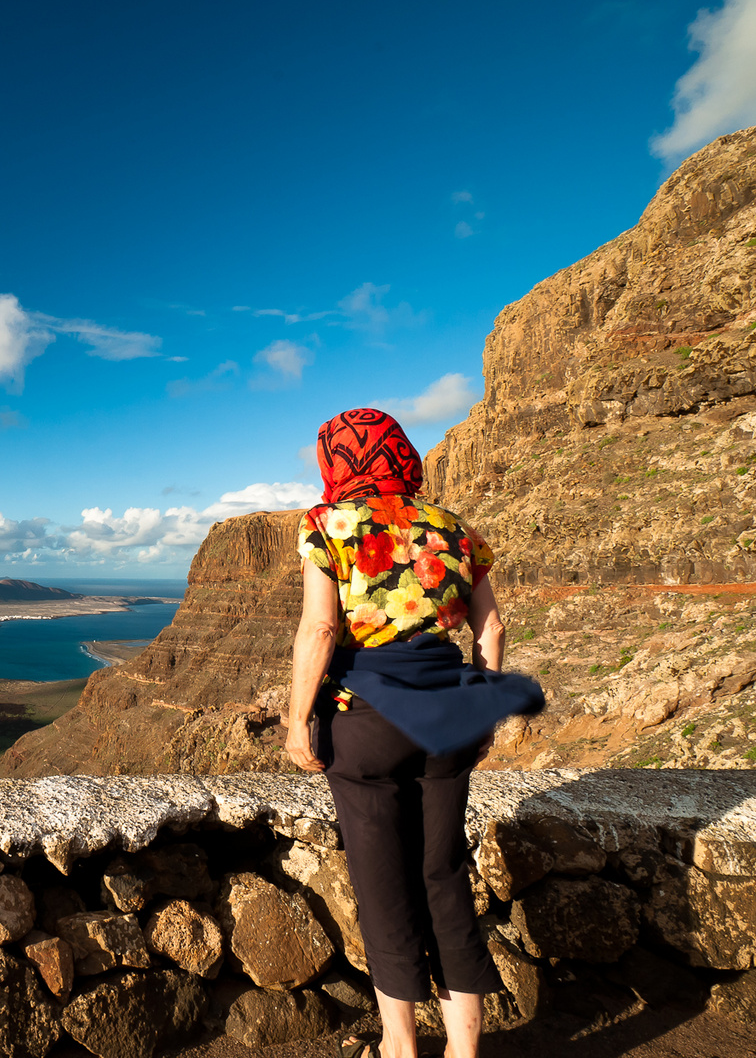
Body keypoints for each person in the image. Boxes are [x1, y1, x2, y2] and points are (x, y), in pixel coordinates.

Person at [283, 408, 542, 1058]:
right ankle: (464, 1049)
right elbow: (493, 631)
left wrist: (295, 723)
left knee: (382, 889)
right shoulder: (455, 530)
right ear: (402, 456)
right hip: (448, 718)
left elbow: (319, 631)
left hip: (367, 722)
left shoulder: (329, 526)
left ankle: (401, 1049)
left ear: (335, 463)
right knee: (445, 877)